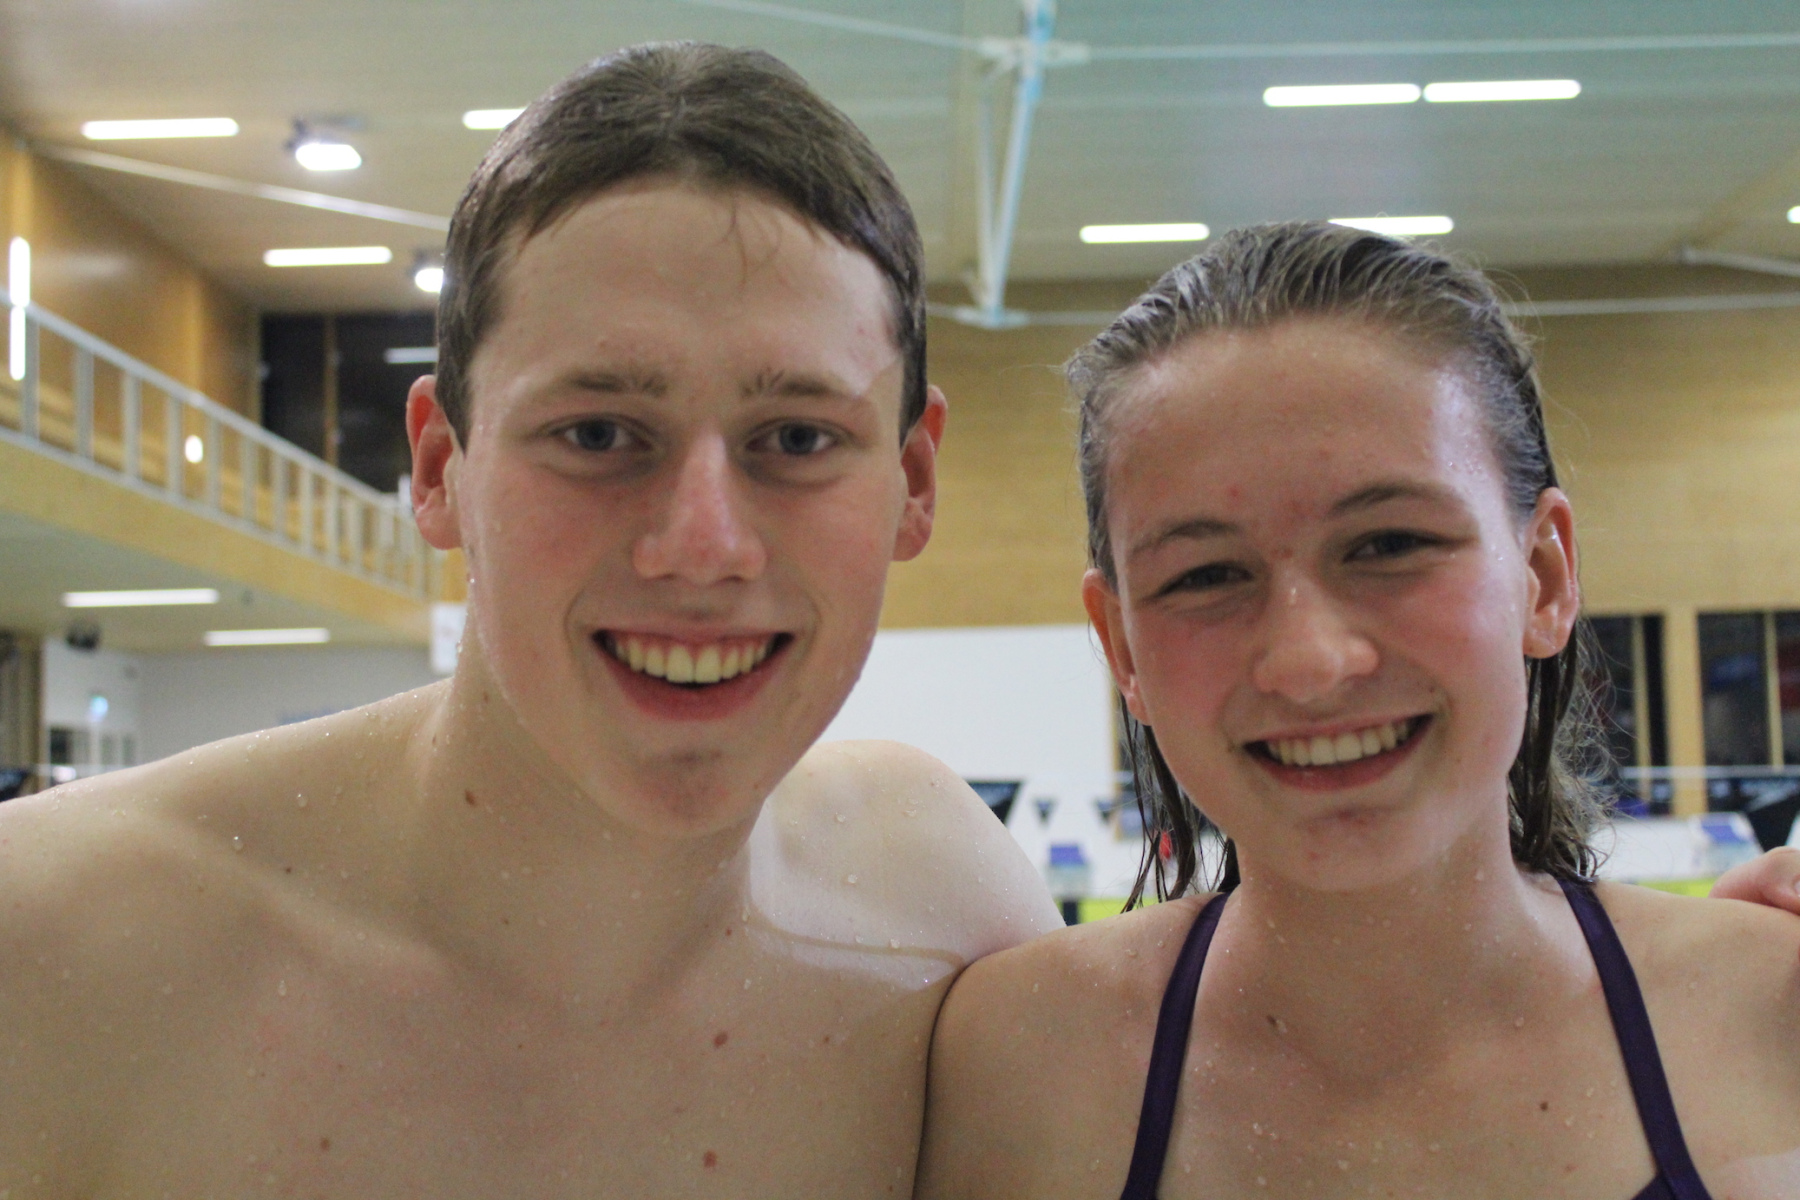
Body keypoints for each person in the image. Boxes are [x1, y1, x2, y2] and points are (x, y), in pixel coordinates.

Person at [0, 43, 1060, 1194]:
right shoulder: (60, 953)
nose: (702, 546)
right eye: (598, 434)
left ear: (914, 482)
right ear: (438, 467)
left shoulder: (947, 909)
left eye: (798, 439)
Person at [915, 223, 1800, 1200]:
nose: (1310, 662)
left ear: (1544, 577)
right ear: (1122, 647)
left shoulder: (1771, 1016)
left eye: (1389, 545)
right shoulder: (1013, 1073)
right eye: (1206, 575)